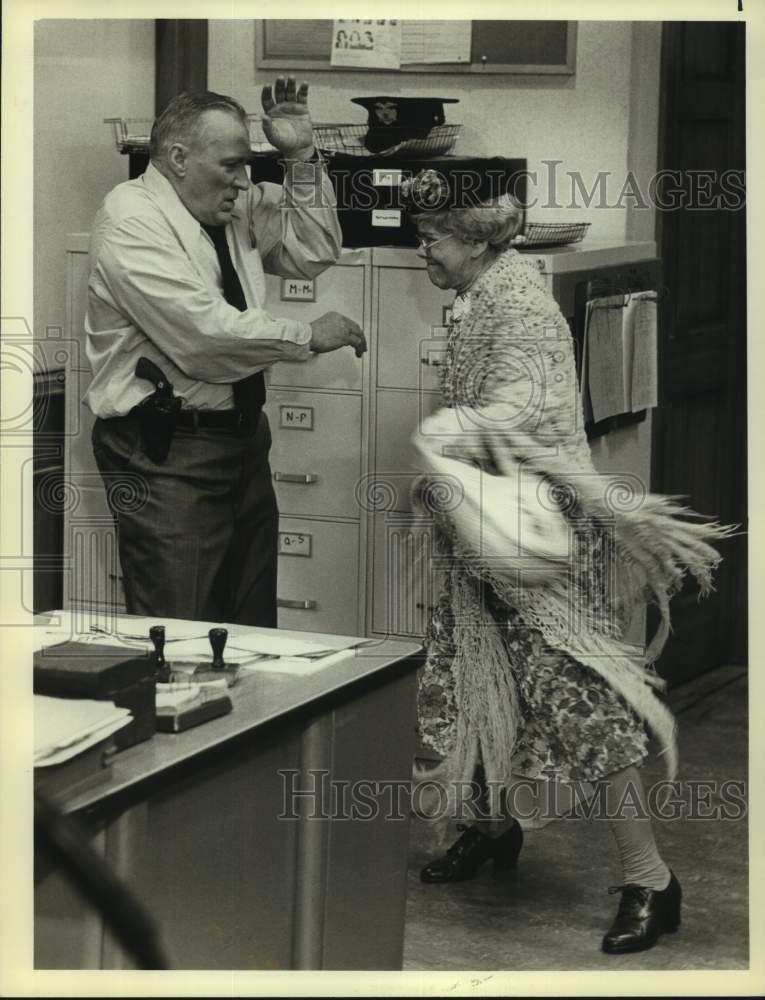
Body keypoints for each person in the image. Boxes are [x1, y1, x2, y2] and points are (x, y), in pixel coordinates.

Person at [404, 168, 735, 954]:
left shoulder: (517, 309)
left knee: (581, 706)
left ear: (475, 240)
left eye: (432, 239)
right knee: (469, 681)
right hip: (485, 533)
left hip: (533, 544)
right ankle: (491, 827)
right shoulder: (481, 294)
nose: (424, 252)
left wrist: (445, 441)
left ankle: (651, 880)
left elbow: (515, 414)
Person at [85, 78, 366, 627]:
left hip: (239, 443)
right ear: (179, 158)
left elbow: (314, 249)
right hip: (166, 453)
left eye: (248, 165)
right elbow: (204, 339)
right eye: (232, 165)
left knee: (251, 635)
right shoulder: (131, 221)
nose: (245, 180)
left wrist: (301, 158)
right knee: (182, 640)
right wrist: (307, 335)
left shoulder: (225, 204)